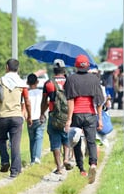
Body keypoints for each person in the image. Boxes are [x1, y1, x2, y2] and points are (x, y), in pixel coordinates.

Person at [64, 54, 105, 184]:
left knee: (76, 142)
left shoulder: (71, 79)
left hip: (76, 114)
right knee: (91, 141)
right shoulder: (94, 79)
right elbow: (99, 102)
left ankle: (81, 169)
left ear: (76, 65)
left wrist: (69, 119)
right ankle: (93, 164)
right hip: (90, 114)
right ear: (88, 66)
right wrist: (100, 120)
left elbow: (70, 100)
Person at [0, 58, 31, 178]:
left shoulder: (0, 81)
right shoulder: (22, 84)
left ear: (7, 67)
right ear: (18, 68)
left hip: (2, 116)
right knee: (15, 143)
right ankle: (15, 170)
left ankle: (5, 161)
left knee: (1, 140)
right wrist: (29, 117)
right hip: (17, 117)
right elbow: (27, 101)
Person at [40, 59, 72, 175]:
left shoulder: (48, 84)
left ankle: (59, 167)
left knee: (55, 142)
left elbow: (44, 102)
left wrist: (41, 113)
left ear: (54, 69)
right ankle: (66, 159)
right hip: (68, 116)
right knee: (67, 138)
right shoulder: (70, 82)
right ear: (64, 69)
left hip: (54, 116)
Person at [25, 73, 45, 165]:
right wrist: (43, 113)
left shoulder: (26, 94)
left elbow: (24, 106)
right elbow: (47, 103)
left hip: (30, 118)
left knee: (32, 139)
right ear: (37, 82)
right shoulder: (41, 93)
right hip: (40, 117)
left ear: (27, 83)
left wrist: (27, 117)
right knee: (39, 137)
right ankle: (37, 157)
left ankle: (33, 159)